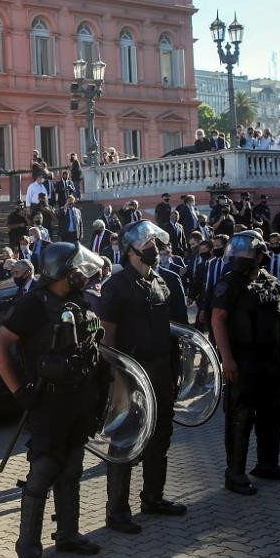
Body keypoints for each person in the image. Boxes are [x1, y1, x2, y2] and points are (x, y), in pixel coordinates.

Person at [0, 241, 106, 558]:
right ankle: (28, 548)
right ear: (62, 273)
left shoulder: (77, 301)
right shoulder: (34, 304)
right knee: (42, 474)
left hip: (79, 401)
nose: (83, 274)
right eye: (77, 270)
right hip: (48, 404)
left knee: (72, 469)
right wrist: (18, 391)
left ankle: (68, 534)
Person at [98, 222, 188, 533]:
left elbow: (172, 331)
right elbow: (106, 335)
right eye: (149, 243)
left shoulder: (161, 282)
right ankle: (117, 511)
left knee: (160, 435)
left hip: (160, 371)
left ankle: (153, 497)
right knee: (124, 440)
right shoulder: (116, 285)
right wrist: (116, 379)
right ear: (131, 250)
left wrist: (176, 371)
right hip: (130, 375)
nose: (155, 249)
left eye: (156, 243)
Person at [209, 230, 280, 496]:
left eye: (246, 252)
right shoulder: (229, 283)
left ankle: (268, 464)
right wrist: (227, 358)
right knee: (241, 417)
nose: (240, 257)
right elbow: (218, 319)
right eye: (237, 252)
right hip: (243, 360)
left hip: (270, 359)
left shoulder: (271, 282)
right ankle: (235, 473)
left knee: (272, 413)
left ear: (260, 255)